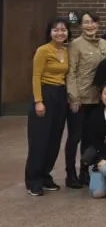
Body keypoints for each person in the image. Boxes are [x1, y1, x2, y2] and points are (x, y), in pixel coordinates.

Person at [25, 17, 71, 196]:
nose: (60, 33)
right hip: (45, 94)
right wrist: (38, 101)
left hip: (60, 95)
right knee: (39, 140)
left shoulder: (66, 51)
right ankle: (33, 180)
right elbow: (36, 76)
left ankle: (45, 175)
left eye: (63, 30)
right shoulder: (43, 50)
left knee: (54, 139)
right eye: (56, 30)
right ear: (50, 33)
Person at [64, 11, 106, 188]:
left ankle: (84, 171)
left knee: (90, 139)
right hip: (80, 99)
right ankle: (70, 173)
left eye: (93, 22)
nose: (90, 26)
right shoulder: (75, 45)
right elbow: (71, 72)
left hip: (98, 99)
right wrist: (73, 96)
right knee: (75, 137)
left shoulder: (104, 43)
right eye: (86, 22)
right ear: (80, 26)